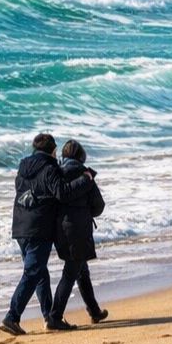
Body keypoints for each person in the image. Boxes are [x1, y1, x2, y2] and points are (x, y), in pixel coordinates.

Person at [0, 132, 92, 336]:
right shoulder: (49, 168)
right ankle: (12, 316)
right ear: (52, 151)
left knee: (40, 273)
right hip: (38, 228)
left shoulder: (23, 169)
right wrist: (85, 179)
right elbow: (63, 193)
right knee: (33, 273)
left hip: (20, 227)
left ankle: (49, 317)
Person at [48, 139, 109, 330]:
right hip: (79, 230)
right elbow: (99, 206)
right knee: (71, 272)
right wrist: (85, 211)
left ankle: (94, 311)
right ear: (81, 156)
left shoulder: (56, 174)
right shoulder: (86, 176)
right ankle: (54, 316)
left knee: (81, 270)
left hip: (60, 230)